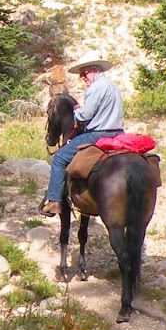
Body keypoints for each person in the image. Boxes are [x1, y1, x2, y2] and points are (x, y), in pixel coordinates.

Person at [42, 53, 123, 217]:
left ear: (95, 70)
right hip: (118, 133)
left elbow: (85, 115)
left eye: (84, 74)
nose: (82, 78)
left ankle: (54, 201)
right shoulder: (113, 86)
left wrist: (77, 111)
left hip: (98, 134)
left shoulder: (95, 88)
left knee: (59, 159)